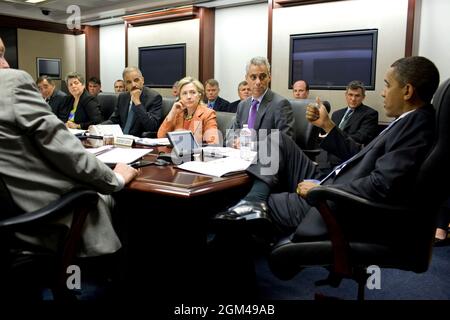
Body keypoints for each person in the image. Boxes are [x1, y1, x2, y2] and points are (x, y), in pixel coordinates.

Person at [216, 56, 439, 239]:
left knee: (241, 206)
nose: (382, 92)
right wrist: (327, 125)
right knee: (277, 139)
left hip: (335, 201)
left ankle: (251, 206)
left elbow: (381, 185)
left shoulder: (416, 125)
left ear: (407, 91)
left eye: (387, 85)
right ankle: (254, 201)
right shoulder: (407, 121)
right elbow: (360, 156)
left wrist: (322, 190)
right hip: (331, 178)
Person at [0, 36, 138, 257]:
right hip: (42, 220)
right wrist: (117, 178)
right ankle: (114, 273)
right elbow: (66, 152)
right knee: (122, 198)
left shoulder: (84, 99)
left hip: (9, 218)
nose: (6, 64)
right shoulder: (10, 82)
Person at [227, 56, 295, 144]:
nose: (258, 82)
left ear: (269, 78)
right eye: (253, 77)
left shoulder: (280, 104)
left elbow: (286, 141)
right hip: (241, 155)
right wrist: (234, 141)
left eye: (262, 77)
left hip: (266, 156)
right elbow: (232, 135)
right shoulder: (242, 105)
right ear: (246, 78)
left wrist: (251, 145)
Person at [318, 80, 378, 176]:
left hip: (348, 161)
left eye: (357, 95)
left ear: (363, 97)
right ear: (346, 95)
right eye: (350, 95)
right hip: (326, 159)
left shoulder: (370, 114)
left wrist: (334, 138)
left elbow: (360, 138)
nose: (353, 99)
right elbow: (326, 135)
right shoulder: (336, 114)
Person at [158, 76, 219, 145]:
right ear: (180, 97)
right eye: (184, 93)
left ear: (199, 95)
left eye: (193, 92)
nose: (189, 97)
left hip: (196, 154)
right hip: (174, 153)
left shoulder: (208, 114)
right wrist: (172, 113)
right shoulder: (178, 112)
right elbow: (161, 136)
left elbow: (213, 143)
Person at [103, 66, 162, 136]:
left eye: (136, 80)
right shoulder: (123, 97)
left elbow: (152, 127)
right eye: (129, 82)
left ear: (142, 80)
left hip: (138, 141)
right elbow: (114, 120)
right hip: (120, 139)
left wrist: (137, 103)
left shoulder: (154, 97)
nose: (133, 85)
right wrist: (97, 127)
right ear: (125, 85)